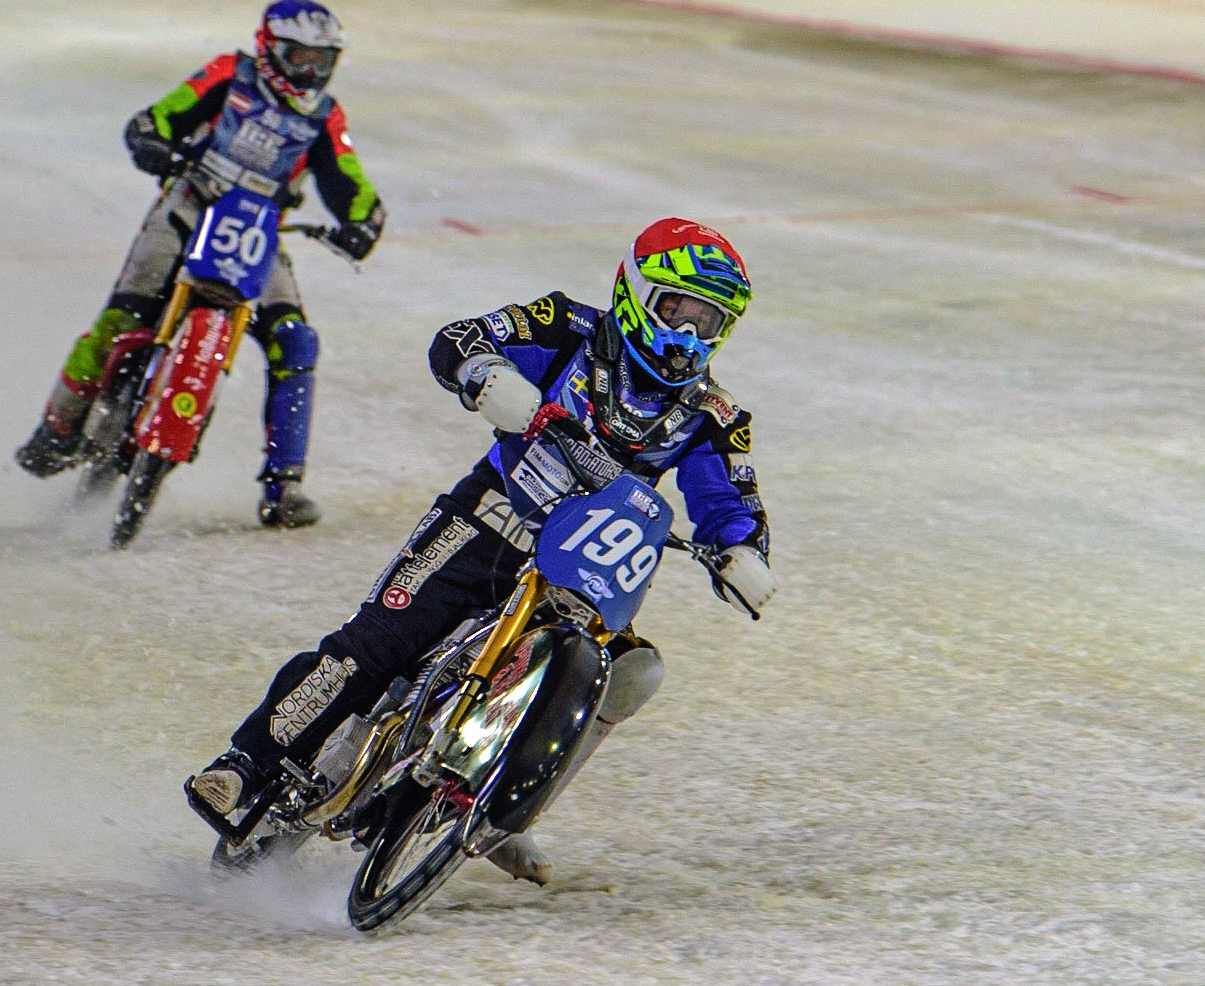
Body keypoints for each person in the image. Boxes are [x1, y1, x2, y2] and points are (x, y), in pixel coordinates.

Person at [188, 217, 778, 883]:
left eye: (712, 322)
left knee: (632, 670)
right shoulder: (566, 328)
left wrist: (740, 550)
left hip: (587, 566)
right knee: (376, 643)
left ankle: (501, 806)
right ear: (639, 291)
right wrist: (482, 372)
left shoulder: (712, 415)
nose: (692, 335)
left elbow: (729, 498)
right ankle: (245, 761)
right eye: (682, 310)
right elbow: (462, 337)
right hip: (490, 517)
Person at [15, 0, 386, 528]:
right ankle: (57, 431)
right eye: (299, 57)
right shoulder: (228, 75)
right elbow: (160, 117)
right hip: (187, 209)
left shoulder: (325, 117)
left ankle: (284, 487)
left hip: (259, 233)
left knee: (295, 340)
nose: (310, 71)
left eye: (321, 60)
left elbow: (348, 178)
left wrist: (364, 220)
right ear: (269, 49)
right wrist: (151, 141)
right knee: (122, 319)